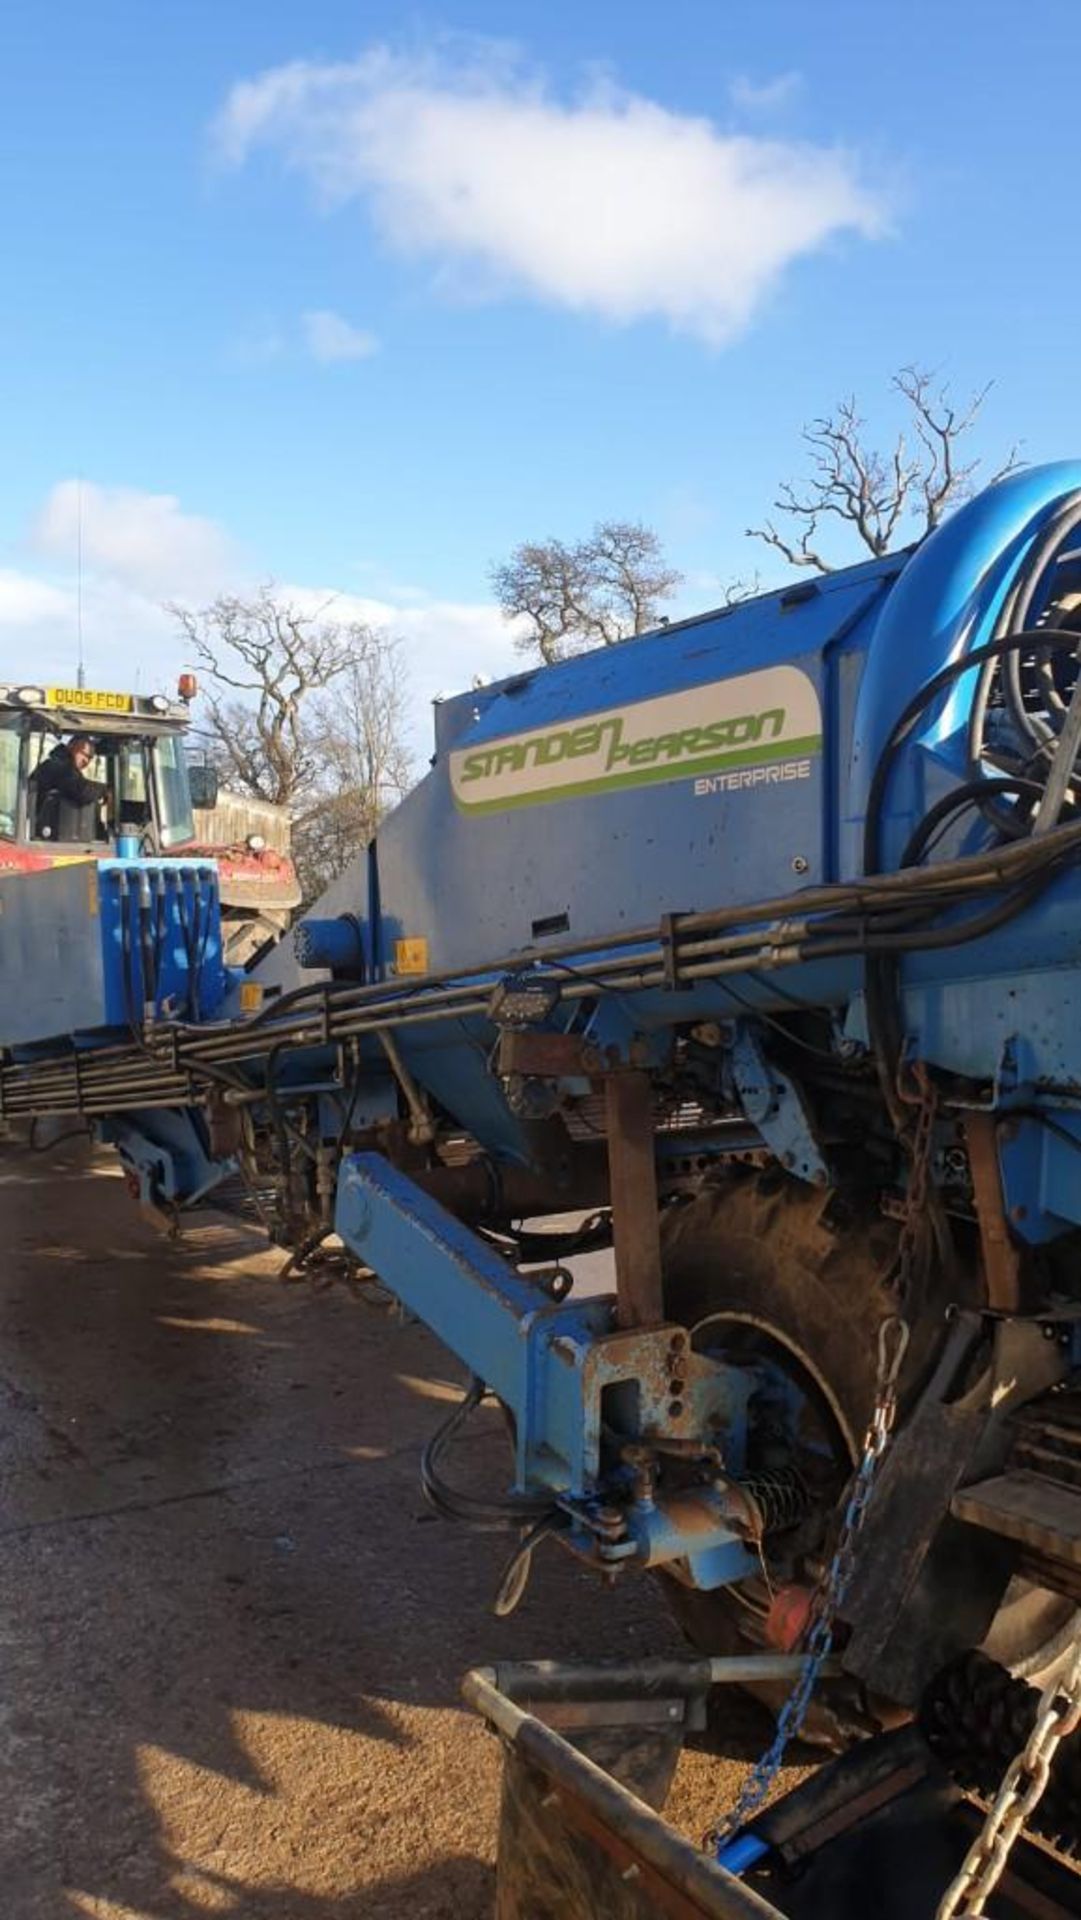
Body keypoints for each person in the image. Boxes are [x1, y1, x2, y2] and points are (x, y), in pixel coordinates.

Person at [32, 734, 111, 842]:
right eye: (84, 754)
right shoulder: (59, 766)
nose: (86, 761)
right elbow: (81, 791)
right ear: (71, 747)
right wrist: (104, 790)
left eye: (90, 758)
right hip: (44, 833)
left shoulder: (63, 766)